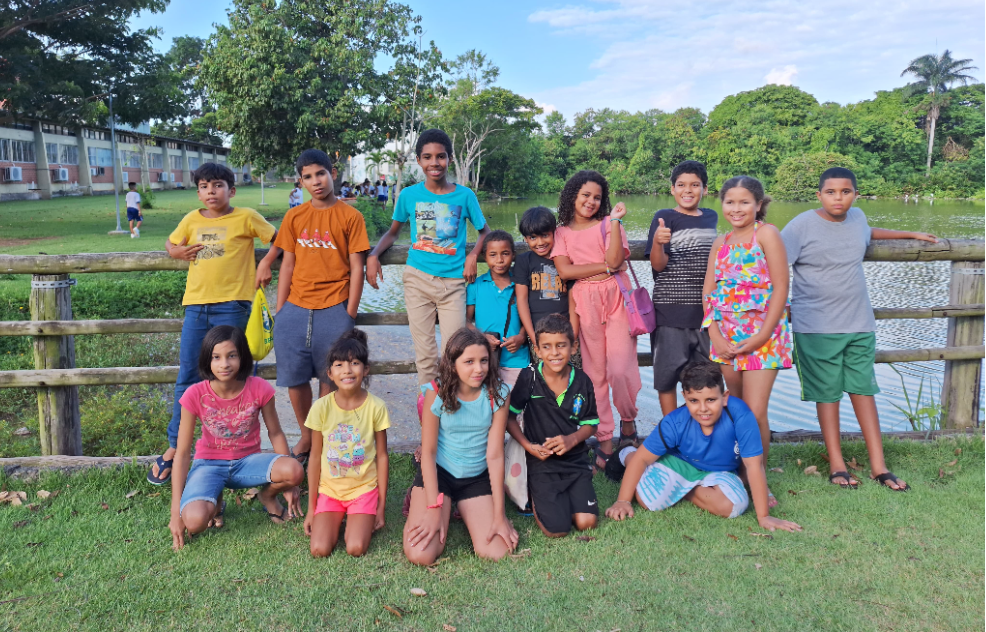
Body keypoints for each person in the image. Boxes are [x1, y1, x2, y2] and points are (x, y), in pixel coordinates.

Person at [782, 167, 937, 491]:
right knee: (827, 395)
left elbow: (868, 232)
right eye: (830, 192)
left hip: (859, 323)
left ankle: (879, 467)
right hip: (817, 326)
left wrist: (911, 234)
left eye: (845, 191)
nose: (838, 198)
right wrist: (779, 306)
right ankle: (837, 465)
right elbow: (774, 264)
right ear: (819, 195)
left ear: (855, 194)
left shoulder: (857, 218)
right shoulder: (800, 226)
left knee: (864, 390)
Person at [148, 163, 276, 485]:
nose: (211, 192)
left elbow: (280, 239)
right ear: (198, 193)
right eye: (204, 186)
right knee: (188, 375)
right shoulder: (191, 219)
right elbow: (171, 243)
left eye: (217, 185)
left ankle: (245, 449)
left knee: (240, 375)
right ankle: (175, 447)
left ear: (231, 190)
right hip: (196, 307)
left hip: (233, 306)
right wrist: (175, 252)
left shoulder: (246, 217)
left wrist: (266, 262)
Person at [603, 361, 802, 533]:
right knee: (649, 501)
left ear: (725, 397)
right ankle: (627, 452)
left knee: (734, 506)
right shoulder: (675, 422)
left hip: (719, 471)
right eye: (694, 401)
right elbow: (643, 459)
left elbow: (754, 465)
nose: (703, 409)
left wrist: (764, 516)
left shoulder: (740, 415)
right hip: (679, 463)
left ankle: (683, 490)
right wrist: (623, 501)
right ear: (685, 397)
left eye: (711, 400)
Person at [365, 128, 491, 388]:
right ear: (419, 161)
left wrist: (473, 255)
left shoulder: (465, 196)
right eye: (428, 157)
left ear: (450, 159)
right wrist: (374, 254)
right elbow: (393, 233)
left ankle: (452, 403)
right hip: (417, 280)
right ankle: (428, 406)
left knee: (454, 352)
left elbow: (485, 233)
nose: (435, 163)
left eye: (441, 156)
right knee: (425, 356)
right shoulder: (409, 195)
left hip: (453, 284)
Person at [267, 149, 370, 463]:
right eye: (308, 177)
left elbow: (357, 267)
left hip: (335, 306)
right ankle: (306, 435)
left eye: (321, 174)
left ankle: (321, 437)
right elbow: (287, 264)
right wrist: (281, 309)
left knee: (331, 376)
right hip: (295, 307)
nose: (316, 182)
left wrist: (349, 313)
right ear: (301, 182)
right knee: (294, 377)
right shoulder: (295, 217)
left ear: (332, 173)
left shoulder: (350, 217)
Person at [168, 326, 305, 550]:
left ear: (242, 356)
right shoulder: (194, 394)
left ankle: (268, 497)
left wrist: (289, 486)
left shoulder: (259, 388)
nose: (224, 364)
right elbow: (182, 454)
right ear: (207, 359)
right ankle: (216, 501)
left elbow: (276, 433)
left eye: (231, 355)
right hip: (209, 465)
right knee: (194, 521)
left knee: (295, 471)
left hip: (247, 463)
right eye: (216, 357)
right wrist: (176, 513)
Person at [702, 176, 791, 505]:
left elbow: (781, 286)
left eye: (744, 202)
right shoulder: (720, 242)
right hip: (726, 337)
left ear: (758, 204)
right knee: (735, 409)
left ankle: (759, 479)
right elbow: (709, 292)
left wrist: (762, 335)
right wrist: (714, 334)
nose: (736, 208)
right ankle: (739, 471)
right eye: (730, 202)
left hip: (764, 337)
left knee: (754, 412)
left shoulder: (766, 234)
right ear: (722, 204)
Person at [403, 327, 519, 565]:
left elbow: (495, 455)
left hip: (476, 477)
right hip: (440, 473)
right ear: (452, 363)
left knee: (497, 551)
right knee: (421, 554)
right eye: (469, 361)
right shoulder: (436, 392)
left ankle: (464, 508)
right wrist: (433, 507)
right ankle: (422, 497)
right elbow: (428, 452)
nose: (479, 369)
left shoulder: (498, 394)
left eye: (483, 360)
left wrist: (500, 515)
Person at [551, 170, 639, 469]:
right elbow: (565, 271)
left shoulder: (609, 224)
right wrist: (604, 267)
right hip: (585, 302)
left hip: (616, 298)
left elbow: (616, 261)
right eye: (585, 195)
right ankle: (604, 441)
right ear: (573, 195)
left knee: (620, 369)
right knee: (595, 375)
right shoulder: (562, 232)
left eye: (597, 197)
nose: (591, 201)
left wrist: (614, 222)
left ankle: (628, 421)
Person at [507, 314, 599, 537]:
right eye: (547, 347)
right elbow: (509, 418)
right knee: (557, 530)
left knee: (586, 523)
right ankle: (536, 494)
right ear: (537, 350)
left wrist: (572, 439)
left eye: (561, 345)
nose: (554, 353)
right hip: (542, 461)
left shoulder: (582, 381)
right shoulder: (529, 377)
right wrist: (529, 447)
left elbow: (590, 424)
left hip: (575, 460)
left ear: (573, 347)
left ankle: (571, 493)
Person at [304, 329, 390, 557]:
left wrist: (381, 506)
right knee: (319, 549)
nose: (347, 370)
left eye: (354, 363)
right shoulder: (321, 407)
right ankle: (334, 517)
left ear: (366, 369)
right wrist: (312, 508)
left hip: (363, 490)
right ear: (330, 373)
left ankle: (357, 516)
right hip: (330, 491)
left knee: (355, 547)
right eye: (339, 365)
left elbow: (382, 456)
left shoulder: (376, 407)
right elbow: (315, 457)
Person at [645, 161, 718, 415]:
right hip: (670, 313)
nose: (688, 190)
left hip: (705, 315)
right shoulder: (664, 217)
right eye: (681, 185)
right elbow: (658, 264)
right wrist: (657, 242)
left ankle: (701, 427)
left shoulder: (711, 216)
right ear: (672, 189)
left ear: (705, 189)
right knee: (667, 377)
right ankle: (671, 428)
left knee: (707, 378)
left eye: (695, 185)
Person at [514, 206, 580, 367]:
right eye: (533, 237)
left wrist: (573, 335)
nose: (540, 242)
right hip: (539, 335)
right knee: (543, 377)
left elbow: (574, 300)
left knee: (573, 376)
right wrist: (533, 338)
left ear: (554, 232)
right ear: (525, 239)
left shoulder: (565, 260)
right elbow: (521, 300)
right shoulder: (524, 261)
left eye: (545, 235)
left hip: (566, 333)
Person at [467, 230, 529, 387]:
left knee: (517, 400)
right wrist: (481, 337)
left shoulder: (521, 284)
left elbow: (530, 315)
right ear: (485, 256)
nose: (500, 260)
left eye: (505, 253)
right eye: (493, 255)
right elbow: (465, 320)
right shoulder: (475, 286)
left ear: (513, 255)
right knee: (489, 399)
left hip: (517, 360)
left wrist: (522, 336)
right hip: (485, 361)